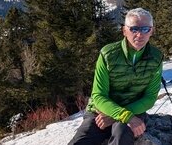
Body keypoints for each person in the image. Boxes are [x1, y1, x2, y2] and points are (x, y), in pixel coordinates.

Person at [69, 9, 163, 145]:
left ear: (151, 31)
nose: (139, 34)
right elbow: (98, 96)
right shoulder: (108, 55)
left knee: (121, 136)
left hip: (133, 109)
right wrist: (122, 115)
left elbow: (150, 97)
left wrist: (121, 116)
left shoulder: (156, 58)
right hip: (100, 112)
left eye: (145, 29)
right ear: (124, 31)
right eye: (134, 29)